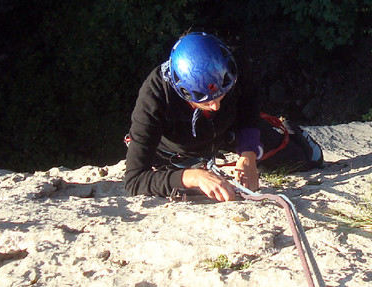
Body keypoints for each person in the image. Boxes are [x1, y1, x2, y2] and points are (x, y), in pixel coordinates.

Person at [123, 32, 321, 202]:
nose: (215, 106)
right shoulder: (154, 98)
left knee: (303, 160)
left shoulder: (233, 66)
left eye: (221, 96)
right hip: (176, 150)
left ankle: (293, 131)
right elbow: (134, 180)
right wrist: (193, 177)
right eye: (205, 102)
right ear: (183, 92)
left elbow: (248, 106)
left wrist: (248, 153)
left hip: (227, 130)